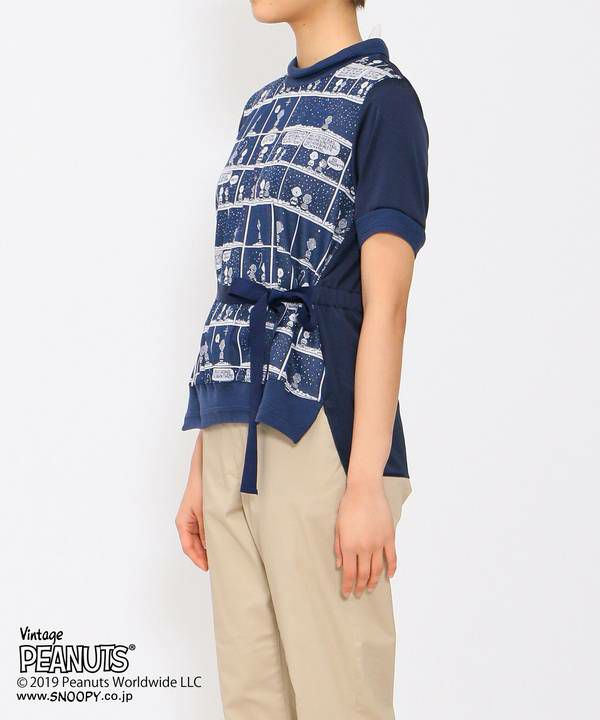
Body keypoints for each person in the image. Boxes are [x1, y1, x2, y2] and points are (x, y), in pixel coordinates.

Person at [175, 0, 429, 717]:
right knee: (252, 701)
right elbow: (236, 285)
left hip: (320, 432)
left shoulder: (384, 102)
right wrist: (203, 461)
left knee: (340, 699)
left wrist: (366, 484)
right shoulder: (260, 108)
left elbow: (387, 306)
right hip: (232, 432)